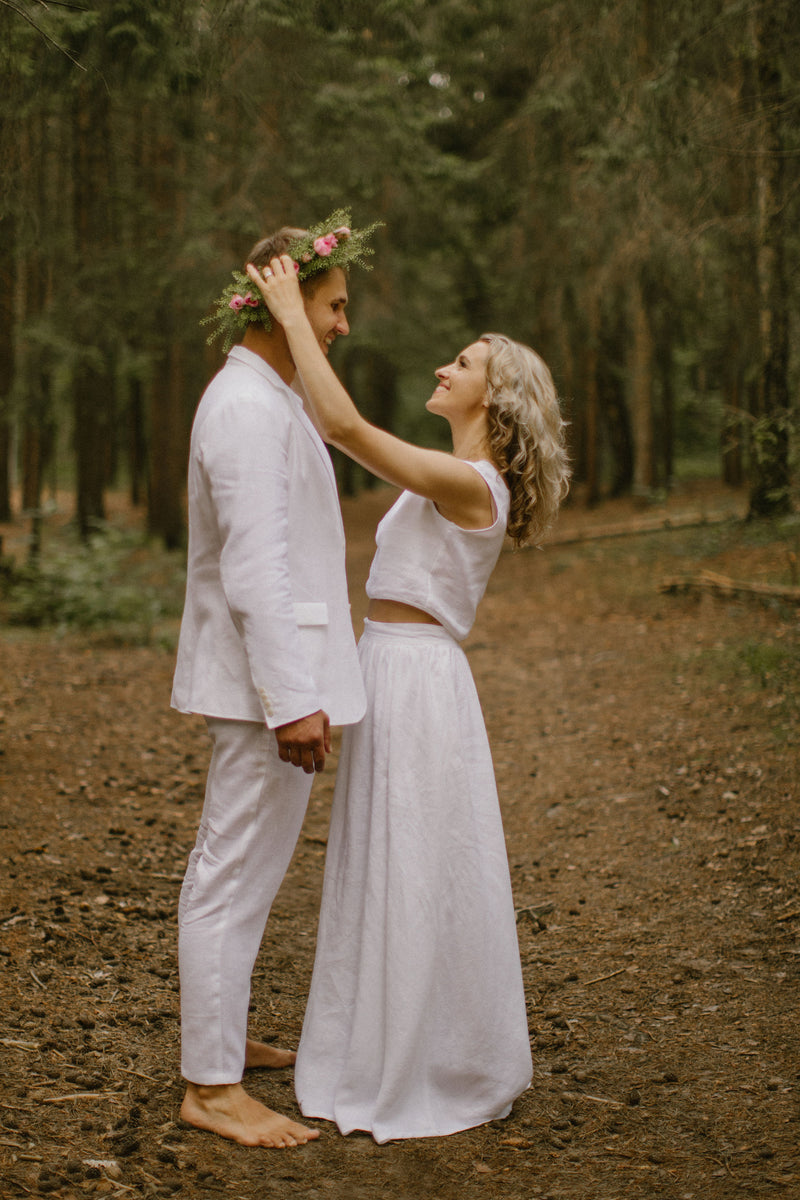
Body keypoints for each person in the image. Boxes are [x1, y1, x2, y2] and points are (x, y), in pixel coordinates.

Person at [246, 253, 571, 1143]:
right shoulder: (455, 475)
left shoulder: (474, 485)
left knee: (418, 862)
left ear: (494, 400)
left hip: (419, 678)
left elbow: (344, 425)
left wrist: (288, 307)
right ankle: (376, 1041)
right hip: (388, 664)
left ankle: (429, 1055)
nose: (443, 368)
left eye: (461, 364)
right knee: (385, 859)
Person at [171, 212, 380, 1148]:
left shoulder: (271, 397)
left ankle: (226, 1038)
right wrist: (293, 700)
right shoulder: (248, 408)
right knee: (229, 874)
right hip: (266, 692)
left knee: (245, 872)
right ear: (280, 303)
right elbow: (256, 571)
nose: (341, 323)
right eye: (333, 305)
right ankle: (210, 1089)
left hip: (273, 685)